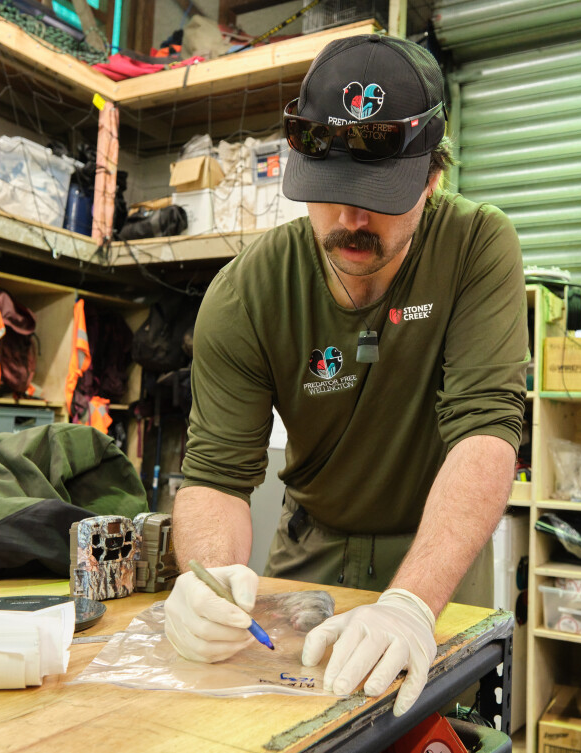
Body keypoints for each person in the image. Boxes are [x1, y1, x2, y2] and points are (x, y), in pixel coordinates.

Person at [163, 34, 528, 717]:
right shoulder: (244, 294)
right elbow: (216, 474)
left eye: (380, 193)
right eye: (330, 192)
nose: (352, 219)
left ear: (432, 174)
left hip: (434, 561)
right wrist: (210, 585)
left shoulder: (479, 246)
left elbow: (486, 432)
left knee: (438, 725)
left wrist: (412, 605)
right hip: (310, 553)